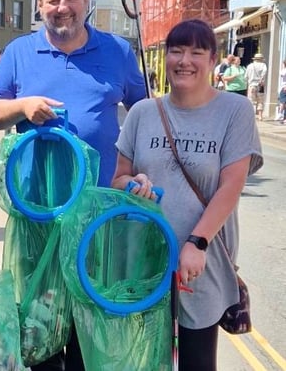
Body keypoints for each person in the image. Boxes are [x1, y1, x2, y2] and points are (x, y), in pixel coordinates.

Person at [0, 0, 146, 371]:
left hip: (97, 215)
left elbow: (145, 117)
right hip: (37, 215)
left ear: (86, 1)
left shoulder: (117, 52)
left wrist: (142, 168)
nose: (62, 7)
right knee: (40, 322)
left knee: (89, 322)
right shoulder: (20, 52)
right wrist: (22, 105)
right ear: (40, 6)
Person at [112, 19, 263, 371]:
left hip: (199, 263)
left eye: (197, 52)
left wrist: (197, 242)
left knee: (196, 360)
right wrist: (134, 184)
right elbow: (117, 179)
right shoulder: (142, 113)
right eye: (177, 51)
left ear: (213, 61)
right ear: (166, 58)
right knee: (145, 359)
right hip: (144, 259)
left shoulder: (235, 112)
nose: (185, 60)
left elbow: (231, 185)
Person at [245, 52, 267, 120]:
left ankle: (252, 115)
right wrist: (261, 80)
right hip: (260, 86)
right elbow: (264, 73)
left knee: (251, 101)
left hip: (252, 85)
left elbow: (245, 77)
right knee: (260, 101)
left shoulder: (249, 66)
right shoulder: (263, 65)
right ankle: (260, 116)